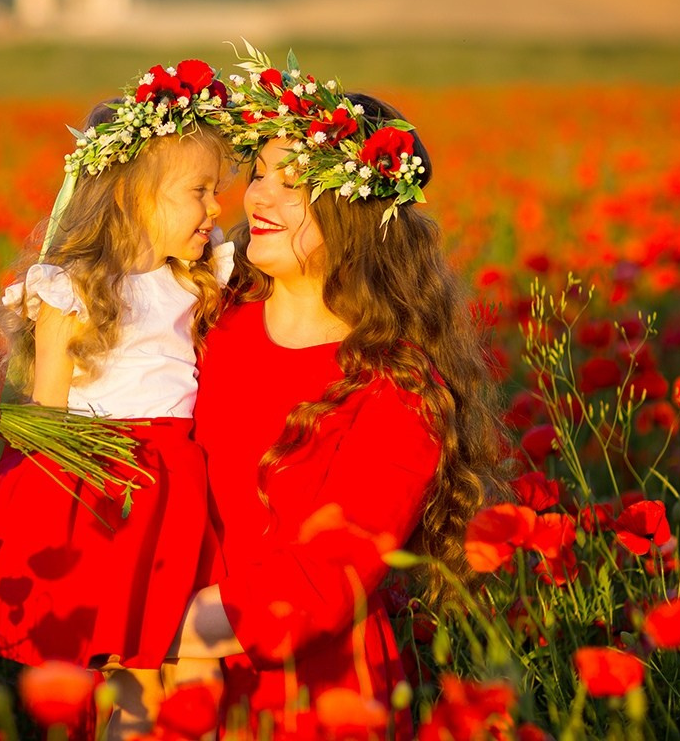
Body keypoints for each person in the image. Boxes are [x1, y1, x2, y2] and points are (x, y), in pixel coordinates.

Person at [167, 55, 509, 738]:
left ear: (355, 210)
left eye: (291, 184)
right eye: (258, 174)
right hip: (169, 661)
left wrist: (197, 629)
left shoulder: (398, 384)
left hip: (314, 688)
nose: (257, 198)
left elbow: (334, 568)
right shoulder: (210, 321)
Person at [0, 59, 236, 737]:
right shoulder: (72, 290)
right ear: (135, 196)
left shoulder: (196, 281)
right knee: (124, 665)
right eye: (199, 191)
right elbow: (48, 411)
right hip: (107, 487)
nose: (217, 207)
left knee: (181, 650)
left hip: (179, 486)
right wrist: (5, 421)